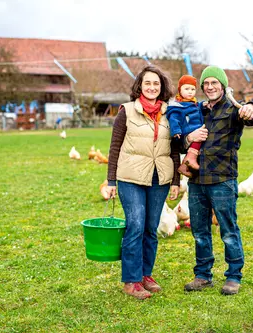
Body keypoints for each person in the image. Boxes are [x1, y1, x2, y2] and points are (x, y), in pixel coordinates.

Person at [106, 65, 180, 300]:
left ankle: (145, 275)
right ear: (140, 85)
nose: (152, 87)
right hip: (130, 177)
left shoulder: (171, 112)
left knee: (151, 228)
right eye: (147, 83)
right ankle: (131, 280)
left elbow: (175, 149)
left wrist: (176, 179)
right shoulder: (126, 111)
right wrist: (111, 180)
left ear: (162, 87)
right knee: (135, 226)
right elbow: (115, 146)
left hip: (160, 177)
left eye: (156, 84)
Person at [183, 66, 253, 295]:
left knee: (227, 229)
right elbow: (181, 129)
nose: (210, 87)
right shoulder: (198, 110)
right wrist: (188, 137)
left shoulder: (234, 109)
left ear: (223, 85)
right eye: (206, 83)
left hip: (223, 179)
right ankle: (203, 275)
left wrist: (252, 109)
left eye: (214, 82)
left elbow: (251, 113)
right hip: (196, 180)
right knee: (199, 231)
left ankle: (234, 276)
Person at [166, 75, 203, 178]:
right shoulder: (177, 105)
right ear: (180, 90)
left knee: (203, 136)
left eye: (193, 89)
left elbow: (197, 108)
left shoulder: (194, 103)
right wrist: (176, 130)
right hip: (187, 129)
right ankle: (190, 160)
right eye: (186, 89)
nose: (190, 92)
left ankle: (185, 166)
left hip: (195, 128)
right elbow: (173, 118)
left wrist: (203, 105)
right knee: (200, 137)